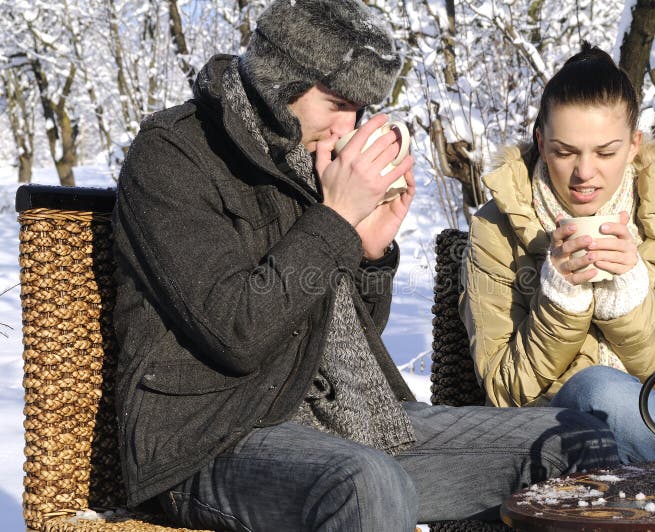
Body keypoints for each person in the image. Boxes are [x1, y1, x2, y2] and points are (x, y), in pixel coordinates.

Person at [112, 3, 619, 531]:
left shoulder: (311, 153)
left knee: (577, 444)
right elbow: (236, 332)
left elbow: (343, 334)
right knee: (365, 482)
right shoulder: (173, 155)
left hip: (350, 420)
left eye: (359, 108)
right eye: (336, 103)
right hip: (214, 437)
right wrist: (336, 219)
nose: (347, 126)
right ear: (281, 78)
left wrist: (368, 253)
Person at [460, 42, 655, 465]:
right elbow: (504, 392)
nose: (584, 173)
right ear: (541, 144)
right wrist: (560, 298)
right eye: (565, 152)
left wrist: (631, 302)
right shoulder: (495, 229)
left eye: (605, 152)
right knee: (597, 388)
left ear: (634, 145)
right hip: (552, 446)